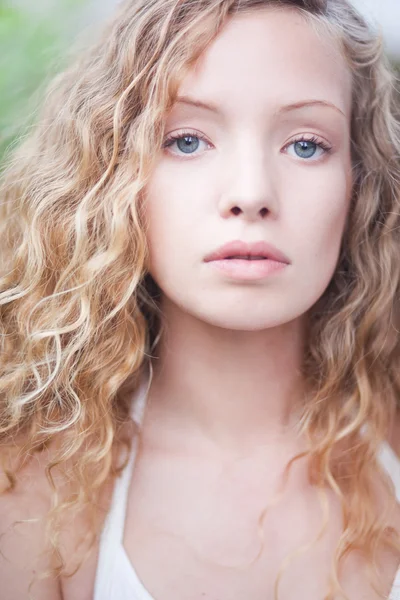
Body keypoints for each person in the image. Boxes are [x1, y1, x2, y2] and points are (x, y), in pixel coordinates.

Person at [0, 0, 400, 598]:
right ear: (114, 174)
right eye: (187, 140)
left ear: (360, 183)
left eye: (307, 145)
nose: (252, 193)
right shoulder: (35, 491)